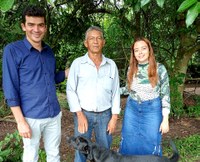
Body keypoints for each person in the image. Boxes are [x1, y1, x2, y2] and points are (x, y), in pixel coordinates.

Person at [2, 5, 68, 162]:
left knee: (54, 154)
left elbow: (50, 78)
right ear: (23, 26)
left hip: (54, 114)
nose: (36, 29)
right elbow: (10, 88)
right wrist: (20, 121)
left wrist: (66, 72)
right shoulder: (12, 50)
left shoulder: (49, 51)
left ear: (45, 27)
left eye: (40, 25)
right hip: (31, 117)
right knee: (31, 156)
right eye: (31, 24)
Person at [66, 26, 121, 162]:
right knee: (81, 153)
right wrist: (79, 114)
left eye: (99, 38)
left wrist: (114, 118)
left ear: (104, 42)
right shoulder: (77, 64)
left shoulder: (111, 65)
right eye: (91, 38)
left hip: (105, 116)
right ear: (86, 43)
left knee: (105, 153)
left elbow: (116, 92)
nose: (95, 41)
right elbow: (71, 90)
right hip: (84, 115)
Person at [119, 37, 170, 156]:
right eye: (136, 50)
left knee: (150, 141)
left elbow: (165, 94)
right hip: (132, 109)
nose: (140, 52)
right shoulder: (131, 69)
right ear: (133, 53)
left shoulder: (160, 68)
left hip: (152, 109)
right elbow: (128, 89)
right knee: (129, 140)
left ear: (149, 50)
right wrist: (112, 91)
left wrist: (165, 119)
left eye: (143, 48)